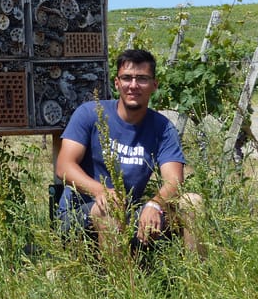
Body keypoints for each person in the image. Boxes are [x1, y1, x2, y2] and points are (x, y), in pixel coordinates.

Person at [55, 48, 203, 256]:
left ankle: (197, 282)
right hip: (80, 212)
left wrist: (154, 204)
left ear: (154, 85)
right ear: (117, 83)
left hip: (129, 211)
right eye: (127, 78)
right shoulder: (89, 114)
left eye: (142, 79)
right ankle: (122, 286)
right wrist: (100, 191)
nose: (133, 85)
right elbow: (64, 166)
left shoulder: (162, 128)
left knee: (193, 203)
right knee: (110, 208)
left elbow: (174, 180)